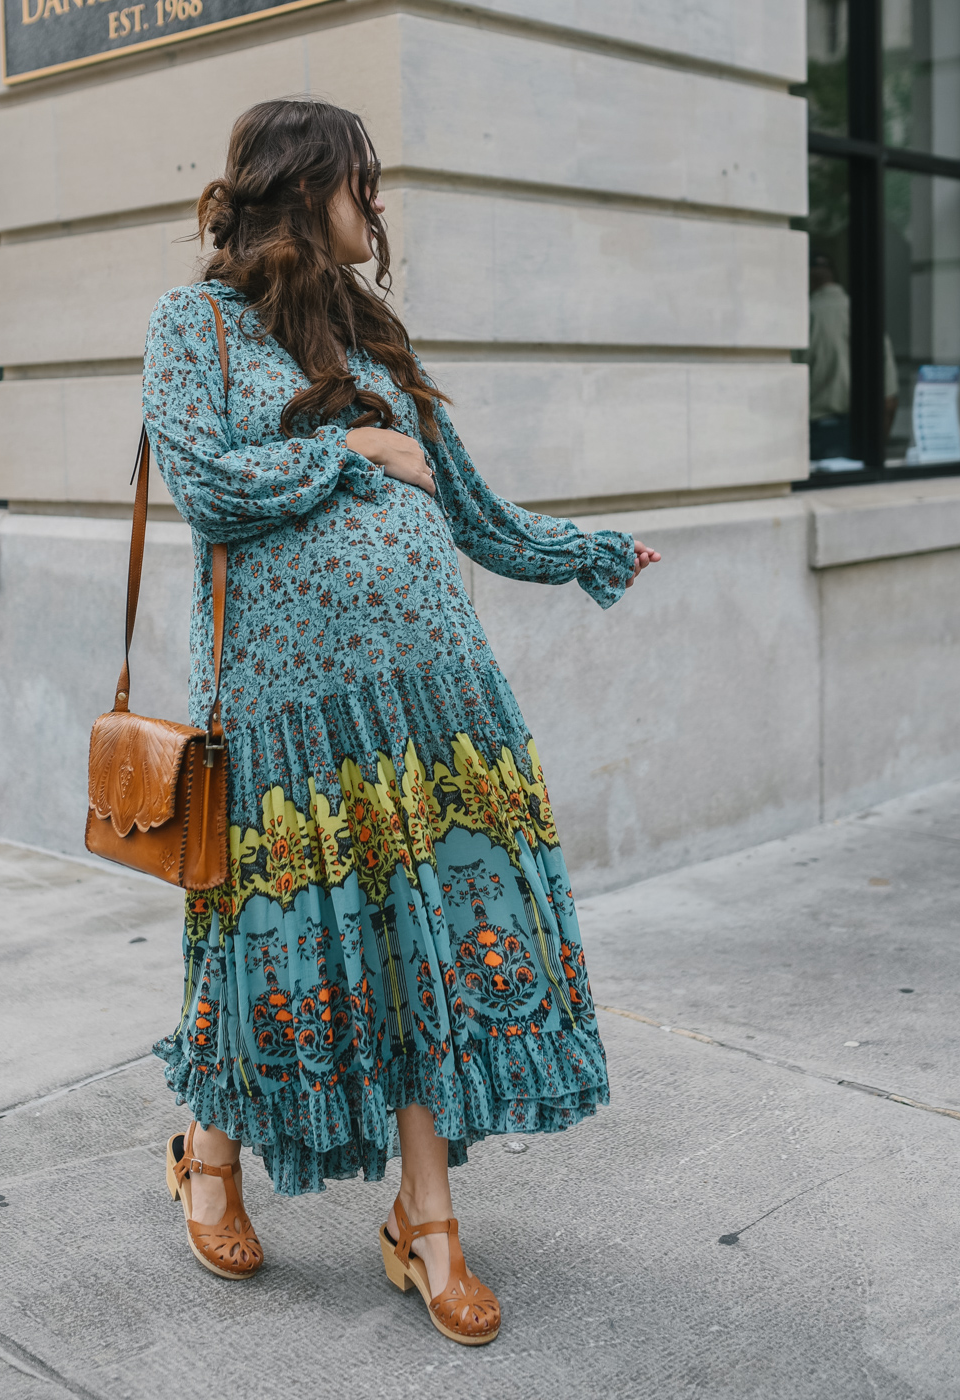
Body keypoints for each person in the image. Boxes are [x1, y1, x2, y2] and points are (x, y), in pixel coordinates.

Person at [142, 97, 659, 1346]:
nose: (377, 206)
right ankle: (207, 1159)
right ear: (302, 184)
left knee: (421, 951)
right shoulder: (193, 325)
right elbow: (206, 479)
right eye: (361, 183)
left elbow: (472, 508)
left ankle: (425, 1223)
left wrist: (582, 549)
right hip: (286, 716)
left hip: (435, 702)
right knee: (278, 952)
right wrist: (353, 452)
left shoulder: (371, 336)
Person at [806, 254, 898, 461]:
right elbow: (889, 400)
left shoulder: (805, 315)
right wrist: (880, 444)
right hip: (865, 430)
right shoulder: (866, 314)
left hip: (819, 430)